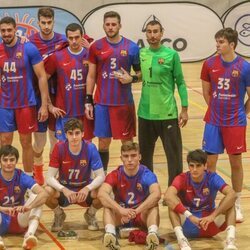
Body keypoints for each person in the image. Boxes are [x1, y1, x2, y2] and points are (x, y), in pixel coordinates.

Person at [201, 27, 250, 222]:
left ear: (232, 45)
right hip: (213, 122)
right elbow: (206, 92)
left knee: (235, 163)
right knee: (210, 163)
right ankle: (210, 202)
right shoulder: (209, 63)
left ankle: (236, 203)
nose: (217, 45)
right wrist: (214, 110)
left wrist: (242, 112)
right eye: (217, 41)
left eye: (221, 42)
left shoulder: (244, 67)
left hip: (235, 123)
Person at [85, 11, 141, 173]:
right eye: (107, 24)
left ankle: (131, 176)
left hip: (123, 104)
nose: (110, 27)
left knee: (127, 142)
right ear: (103, 26)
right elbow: (91, 75)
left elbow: (140, 74)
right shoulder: (96, 47)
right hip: (102, 103)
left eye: (113, 24)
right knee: (103, 142)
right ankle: (102, 178)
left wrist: (132, 79)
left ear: (120, 26)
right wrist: (88, 100)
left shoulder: (131, 47)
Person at [138, 20, 188, 185]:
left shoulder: (171, 55)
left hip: (167, 113)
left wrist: (185, 109)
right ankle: (148, 189)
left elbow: (180, 82)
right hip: (145, 113)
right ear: (146, 33)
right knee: (145, 157)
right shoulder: (142, 53)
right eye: (149, 32)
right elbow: (140, 76)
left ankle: (174, 193)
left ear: (162, 33)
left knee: (173, 156)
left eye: (155, 31)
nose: (152, 35)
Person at [0, 16, 48, 177]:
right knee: (5, 141)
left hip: (26, 103)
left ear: (15, 30)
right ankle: (6, 177)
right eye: (3, 30)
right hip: (5, 104)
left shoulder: (29, 48)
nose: (6, 33)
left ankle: (28, 179)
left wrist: (44, 105)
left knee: (26, 142)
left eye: (9, 30)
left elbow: (42, 77)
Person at [164, 149, 237, 250]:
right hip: (188, 222)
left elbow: (232, 194)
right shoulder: (182, 178)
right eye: (191, 166)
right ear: (188, 166)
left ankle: (230, 242)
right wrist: (189, 216)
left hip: (209, 223)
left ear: (205, 166)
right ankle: (182, 240)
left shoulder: (212, 177)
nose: (194, 169)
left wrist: (213, 216)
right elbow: (168, 196)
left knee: (230, 203)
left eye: (198, 166)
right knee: (171, 204)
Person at [29, 7, 68, 185]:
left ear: (53, 21)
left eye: (49, 22)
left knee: (55, 139)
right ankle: (37, 169)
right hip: (37, 97)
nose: (46, 26)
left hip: (58, 95)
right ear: (38, 22)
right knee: (39, 141)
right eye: (43, 22)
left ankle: (54, 173)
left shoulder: (63, 40)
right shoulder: (30, 42)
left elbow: (83, 48)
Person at [98, 141, 161, 250]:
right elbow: (101, 194)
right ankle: (110, 235)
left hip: (141, 215)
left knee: (154, 205)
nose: (130, 160)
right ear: (121, 158)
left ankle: (152, 234)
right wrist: (121, 210)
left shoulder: (147, 174)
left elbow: (157, 194)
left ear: (139, 157)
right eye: (126, 156)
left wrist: (137, 211)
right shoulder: (115, 174)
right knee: (107, 205)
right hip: (121, 215)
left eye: (133, 155)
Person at [45, 118, 105, 232]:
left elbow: (101, 176)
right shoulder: (59, 148)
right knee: (46, 191)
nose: (74, 137)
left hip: (84, 190)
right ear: (65, 135)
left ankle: (90, 214)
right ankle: (59, 214)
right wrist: (63, 189)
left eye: (77, 133)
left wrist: (87, 188)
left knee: (105, 191)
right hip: (65, 191)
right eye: (70, 133)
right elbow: (49, 177)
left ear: (83, 134)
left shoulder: (90, 148)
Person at [45, 22, 94, 141]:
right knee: (63, 149)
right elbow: (42, 80)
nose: (74, 41)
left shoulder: (90, 55)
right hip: (64, 112)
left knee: (86, 147)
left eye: (77, 37)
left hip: (85, 111)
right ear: (67, 38)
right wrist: (49, 105)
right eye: (71, 38)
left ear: (82, 36)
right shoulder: (57, 56)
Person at [0, 145, 48, 250]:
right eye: (5, 160)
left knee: (37, 198)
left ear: (16, 161)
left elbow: (43, 194)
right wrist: (4, 209)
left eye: (12, 160)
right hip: (1, 220)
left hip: (20, 220)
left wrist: (29, 207)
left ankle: (29, 236)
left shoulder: (21, 176)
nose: (8, 163)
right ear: (0, 161)